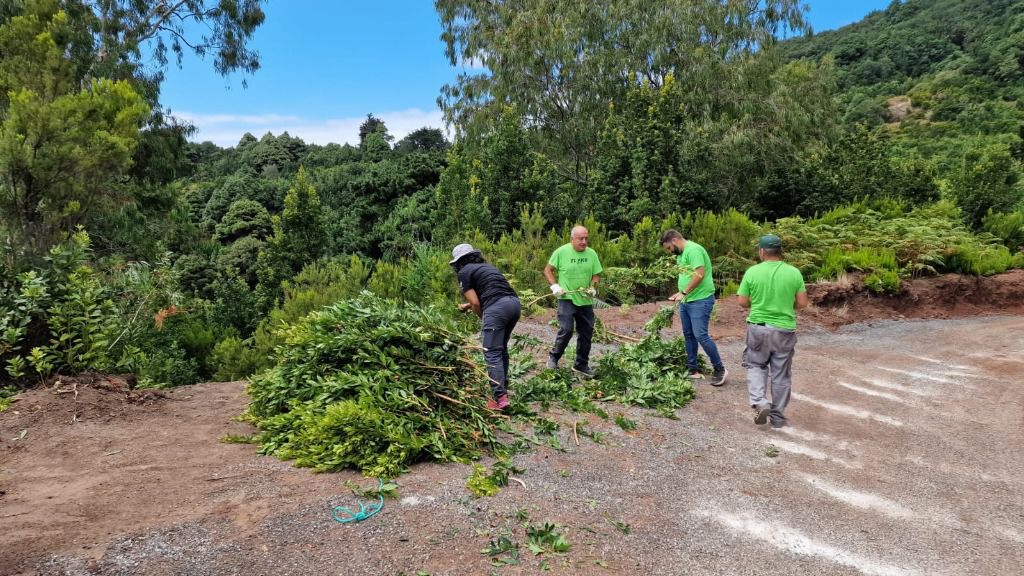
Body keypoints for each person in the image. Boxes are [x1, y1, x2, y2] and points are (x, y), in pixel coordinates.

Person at [736, 234, 809, 428]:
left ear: (761, 251)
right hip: (785, 329)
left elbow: (742, 302)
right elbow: (802, 303)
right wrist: (785, 304)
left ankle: (760, 402)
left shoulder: (752, 272)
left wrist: (759, 302)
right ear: (780, 251)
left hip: (758, 328)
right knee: (781, 374)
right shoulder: (794, 273)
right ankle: (777, 417)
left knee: (756, 366)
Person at [450, 243, 522, 411]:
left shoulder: (464, 272)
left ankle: (500, 399)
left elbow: (476, 302)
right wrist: (468, 306)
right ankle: (503, 389)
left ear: (459, 262)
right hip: (514, 305)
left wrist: (485, 319)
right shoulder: (486, 268)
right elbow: (489, 294)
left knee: (491, 352)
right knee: (500, 349)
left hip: (497, 309)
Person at [660, 229, 728, 386]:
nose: (670, 252)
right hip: (687, 300)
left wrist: (684, 292)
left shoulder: (693, 250)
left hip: (701, 299)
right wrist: (680, 293)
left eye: (669, 248)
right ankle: (693, 369)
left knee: (700, 335)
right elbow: (686, 276)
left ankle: (720, 369)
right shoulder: (681, 254)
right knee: (688, 334)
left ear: (674, 241)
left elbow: (700, 274)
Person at [543, 225, 603, 376]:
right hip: (566, 298)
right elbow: (548, 270)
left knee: (586, 333)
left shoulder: (592, 254)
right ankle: (553, 357)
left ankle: (581, 365)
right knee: (567, 329)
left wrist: (593, 287)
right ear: (572, 239)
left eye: (586, 238)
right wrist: (555, 286)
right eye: (580, 239)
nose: (584, 242)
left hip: (585, 300)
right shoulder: (561, 252)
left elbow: (596, 274)